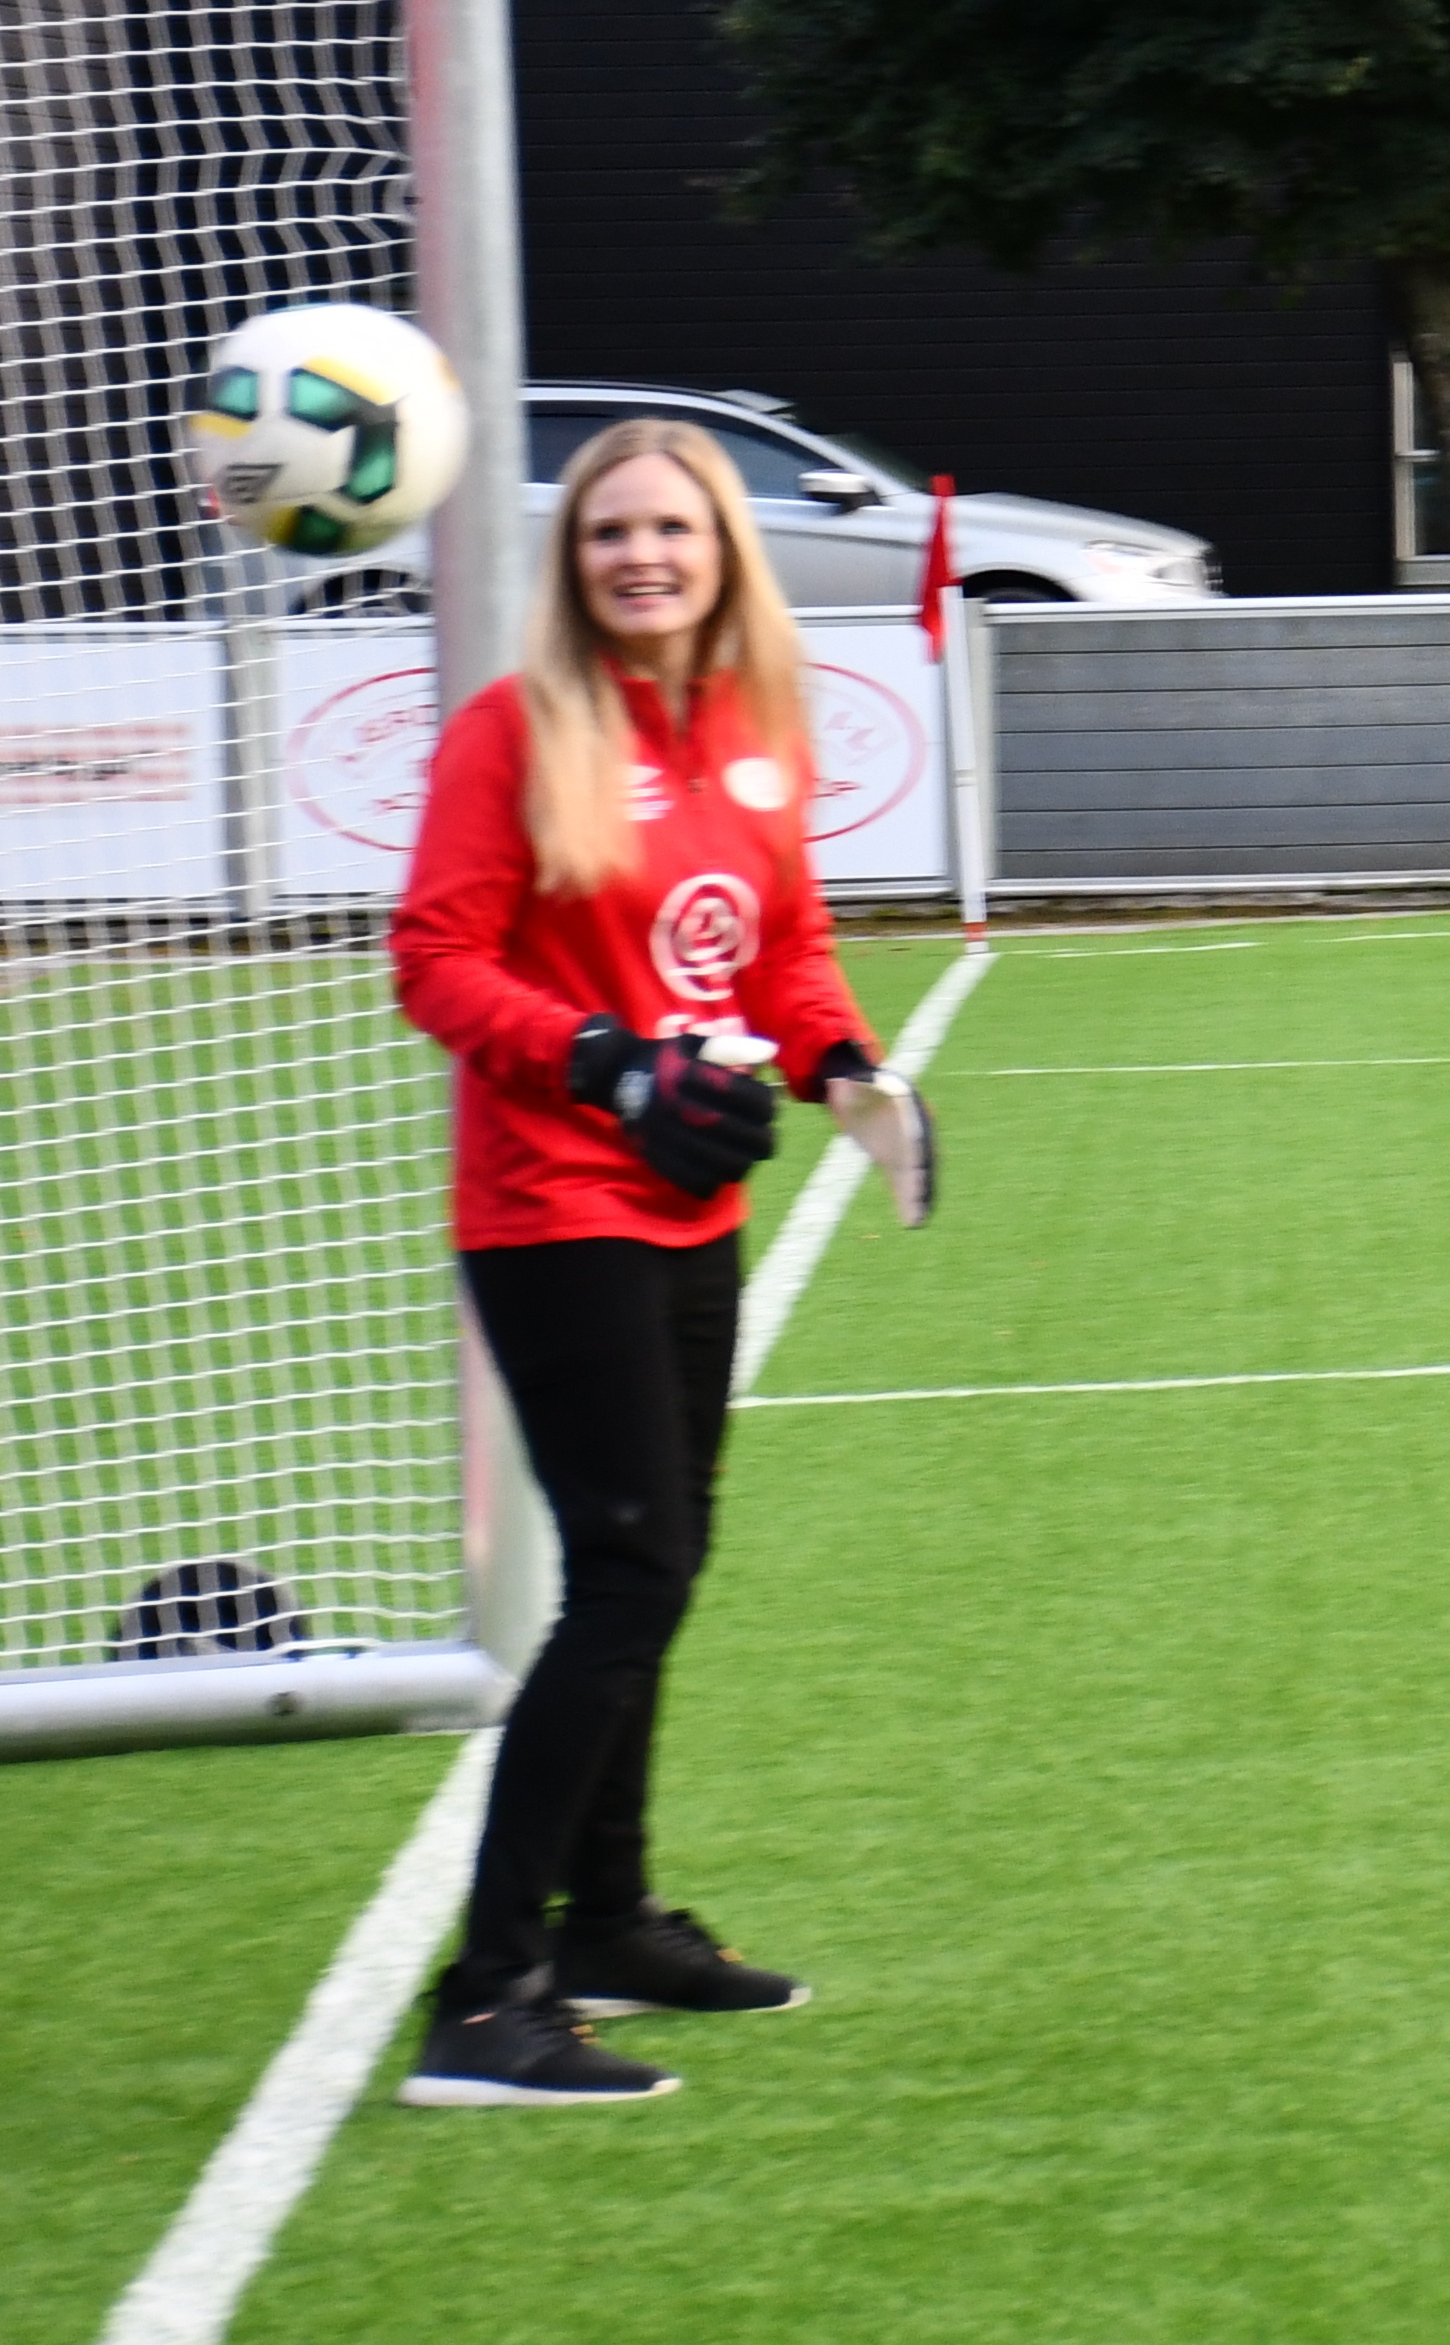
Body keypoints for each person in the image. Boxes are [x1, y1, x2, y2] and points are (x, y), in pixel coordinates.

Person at [387, 421, 881, 2106]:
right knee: (633, 1574)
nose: (643, 557)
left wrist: (844, 1070)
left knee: (661, 1564)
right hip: (550, 1207)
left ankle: (609, 1921)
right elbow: (434, 963)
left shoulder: (752, 733)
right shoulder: (512, 735)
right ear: (573, 561)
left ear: (725, 552)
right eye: (611, 534)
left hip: (692, 1209)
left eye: (673, 528)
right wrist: (605, 1063)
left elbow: (789, 952)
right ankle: (488, 1992)